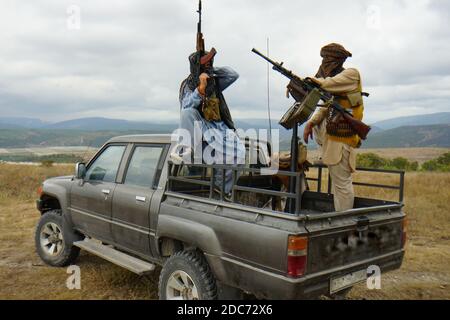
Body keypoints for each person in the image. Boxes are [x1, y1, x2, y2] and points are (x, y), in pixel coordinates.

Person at [303, 43, 365, 212]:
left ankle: (342, 223)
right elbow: (325, 105)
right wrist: (311, 123)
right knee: (340, 186)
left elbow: (326, 83)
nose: (323, 62)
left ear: (336, 59)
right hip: (331, 141)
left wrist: (309, 80)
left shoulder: (350, 75)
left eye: (326, 58)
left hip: (340, 142)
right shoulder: (336, 86)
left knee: (342, 187)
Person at [176, 50, 245, 197]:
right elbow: (186, 106)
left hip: (217, 127)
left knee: (238, 152)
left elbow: (232, 75)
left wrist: (210, 70)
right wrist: (199, 90)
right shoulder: (187, 85)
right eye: (203, 64)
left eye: (209, 63)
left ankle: (222, 190)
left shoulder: (214, 80)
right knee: (187, 113)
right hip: (199, 126)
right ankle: (187, 149)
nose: (207, 66)